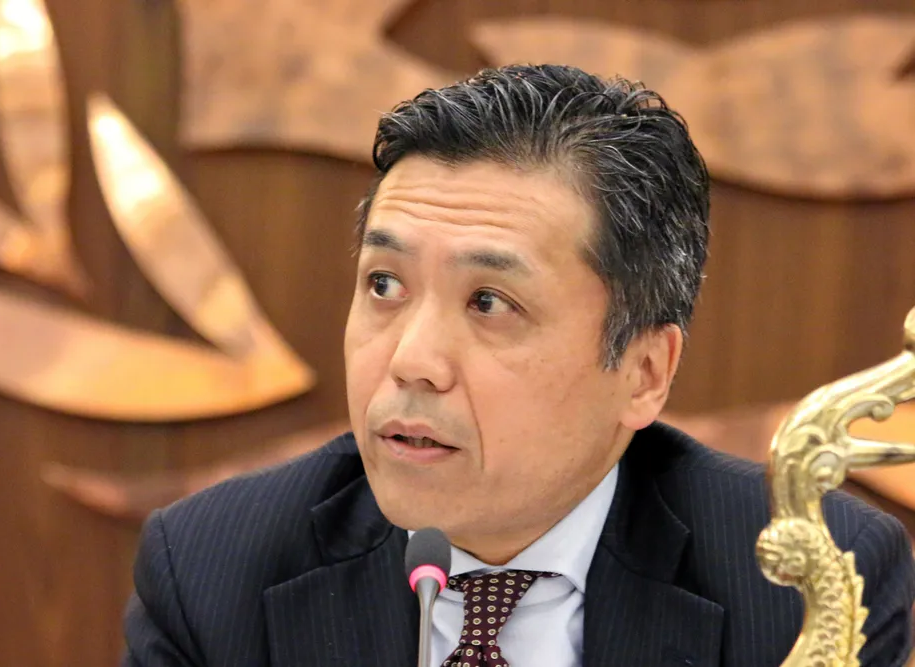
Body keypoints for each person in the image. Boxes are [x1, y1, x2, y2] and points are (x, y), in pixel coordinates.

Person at [120, 64, 915, 667]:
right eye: (384, 284)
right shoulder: (210, 572)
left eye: (489, 302)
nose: (411, 361)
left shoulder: (807, 580)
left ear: (644, 372)